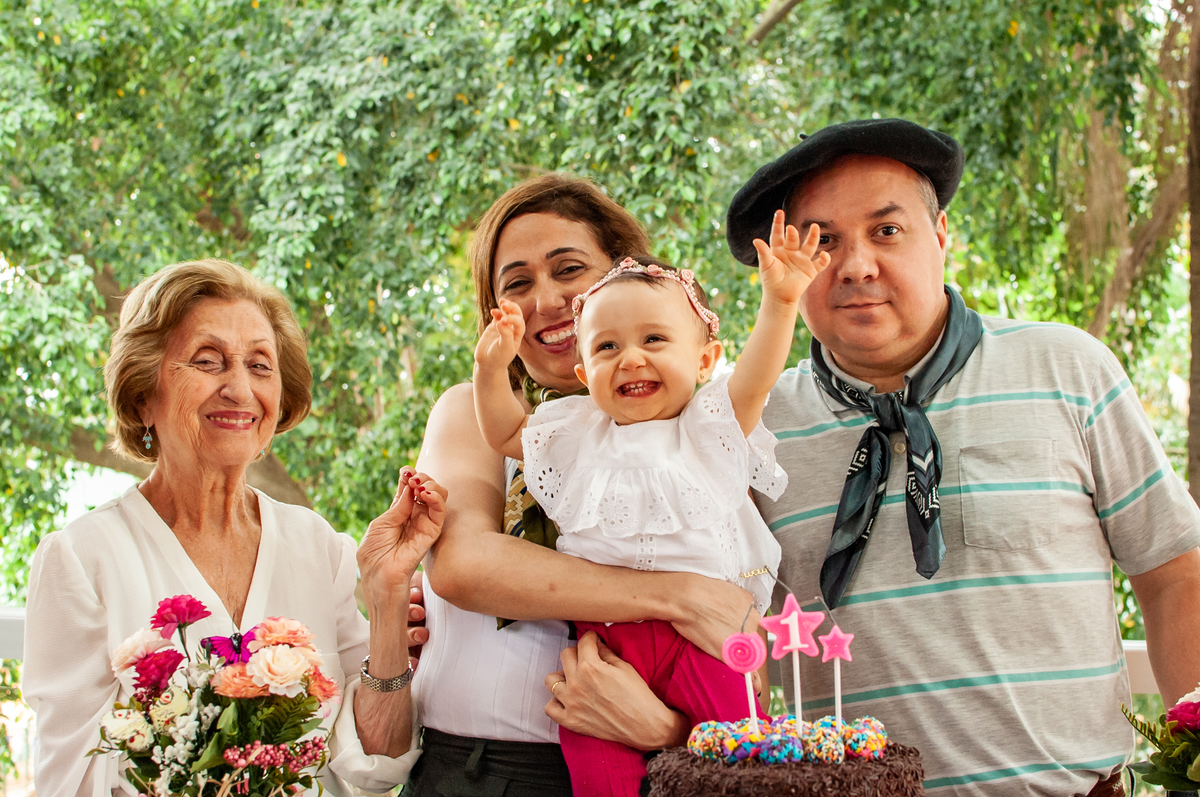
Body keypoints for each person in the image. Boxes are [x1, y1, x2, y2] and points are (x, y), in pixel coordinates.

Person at [722, 118, 1200, 796]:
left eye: (887, 230)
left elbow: (1175, 570)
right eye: (822, 241)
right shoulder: (747, 426)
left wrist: (1194, 760)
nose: (855, 264)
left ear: (942, 234)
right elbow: (713, 619)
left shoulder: (1066, 368)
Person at [23, 259, 442, 796]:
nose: (240, 390)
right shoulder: (82, 560)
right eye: (208, 361)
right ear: (142, 395)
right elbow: (68, 782)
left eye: (260, 366)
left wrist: (385, 602)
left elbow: (376, 765)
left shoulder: (317, 547)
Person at [407, 174, 760, 797]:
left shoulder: (698, 439)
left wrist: (670, 729)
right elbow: (466, 567)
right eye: (516, 283)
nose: (545, 299)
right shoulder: (474, 412)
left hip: (634, 762)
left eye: (568, 269)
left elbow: (738, 631)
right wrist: (678, 595)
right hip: (469, 774)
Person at [471, 223, 824, 794]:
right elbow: (506, 431)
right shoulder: (577, 433)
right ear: (585, 374)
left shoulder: (709, 428)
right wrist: (490, 369)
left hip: (704, 644)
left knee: (740, 771)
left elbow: (758, 377)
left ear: (705, 358)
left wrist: (781, 303)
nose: (630, 358)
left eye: (654, 340)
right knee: (602, 784)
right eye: (607, 347)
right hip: (604, 654)